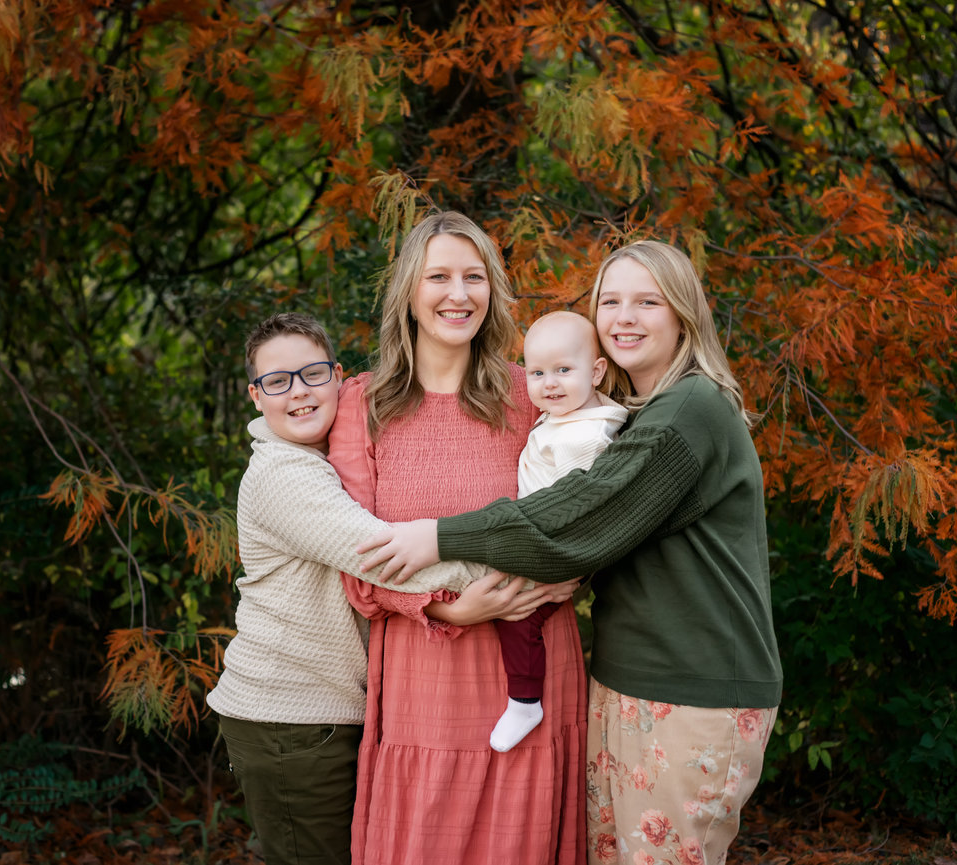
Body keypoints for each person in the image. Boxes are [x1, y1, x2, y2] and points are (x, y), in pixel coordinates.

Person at [358, 241, 783, 865]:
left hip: (697, 684)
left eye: (648, 301)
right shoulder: (629, 414)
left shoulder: (689, 409)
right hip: (627, 678)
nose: (624, 317)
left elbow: (579, 516)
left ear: (684, 313)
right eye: (610, 301)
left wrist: (439, 535)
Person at [326, 211, 587, 865]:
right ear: (408, 292)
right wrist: (452, 608)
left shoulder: (537, 394)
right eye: (438, 276)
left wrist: (580, 571)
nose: (458, 294)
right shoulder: (364, 404)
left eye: (475, 277)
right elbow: (354, 559)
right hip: (423, 672)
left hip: (528, 665)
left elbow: (601, 503)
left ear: (493, 290)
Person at [205, 313, 499, 865]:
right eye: (277, 381)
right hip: (288, 715)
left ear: (340, 377)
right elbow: (384, 556)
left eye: (313, 374)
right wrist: (502, 576)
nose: (298, 392)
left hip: (321, 713)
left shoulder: (328, 460)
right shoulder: (284, 475)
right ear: (254, 395)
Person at [488, 311, 628, 753]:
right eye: (537, 373)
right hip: (536, 536)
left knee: (517, 616)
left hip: (550, 547)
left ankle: (525, 700)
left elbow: (579, 507)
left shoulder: (585, 437)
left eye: (564, 371)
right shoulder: (566, 416)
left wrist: (564, 563)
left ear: (597, 371)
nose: (549, 383)